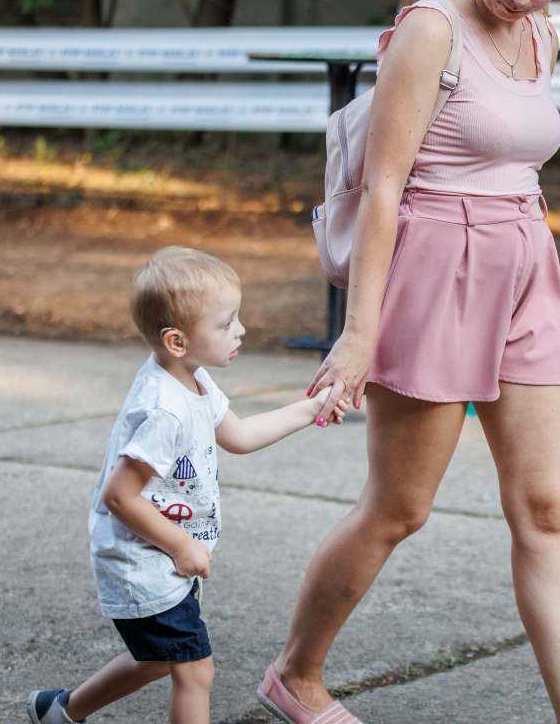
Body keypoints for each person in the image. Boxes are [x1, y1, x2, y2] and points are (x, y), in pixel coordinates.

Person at [257, 0, 560, 724]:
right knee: (399, 508)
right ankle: (296, 675)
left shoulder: (542, 35)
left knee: (547, 508)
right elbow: (384, 190)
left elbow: (517, 156)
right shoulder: (429, 31)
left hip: (526, 267)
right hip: (438, 268)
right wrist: (358, 334)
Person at [28, 246, 347, 724]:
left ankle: (61, 711)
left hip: (162, 556)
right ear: (177, 341)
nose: (240, 330)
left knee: (157, 658)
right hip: (142, 562)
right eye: (226, 323)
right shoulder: (164, 409)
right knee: (195, 670)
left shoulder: (192, 380)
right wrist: (181, 546)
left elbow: (239, 436)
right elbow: (119, 495)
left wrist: (310, 409)